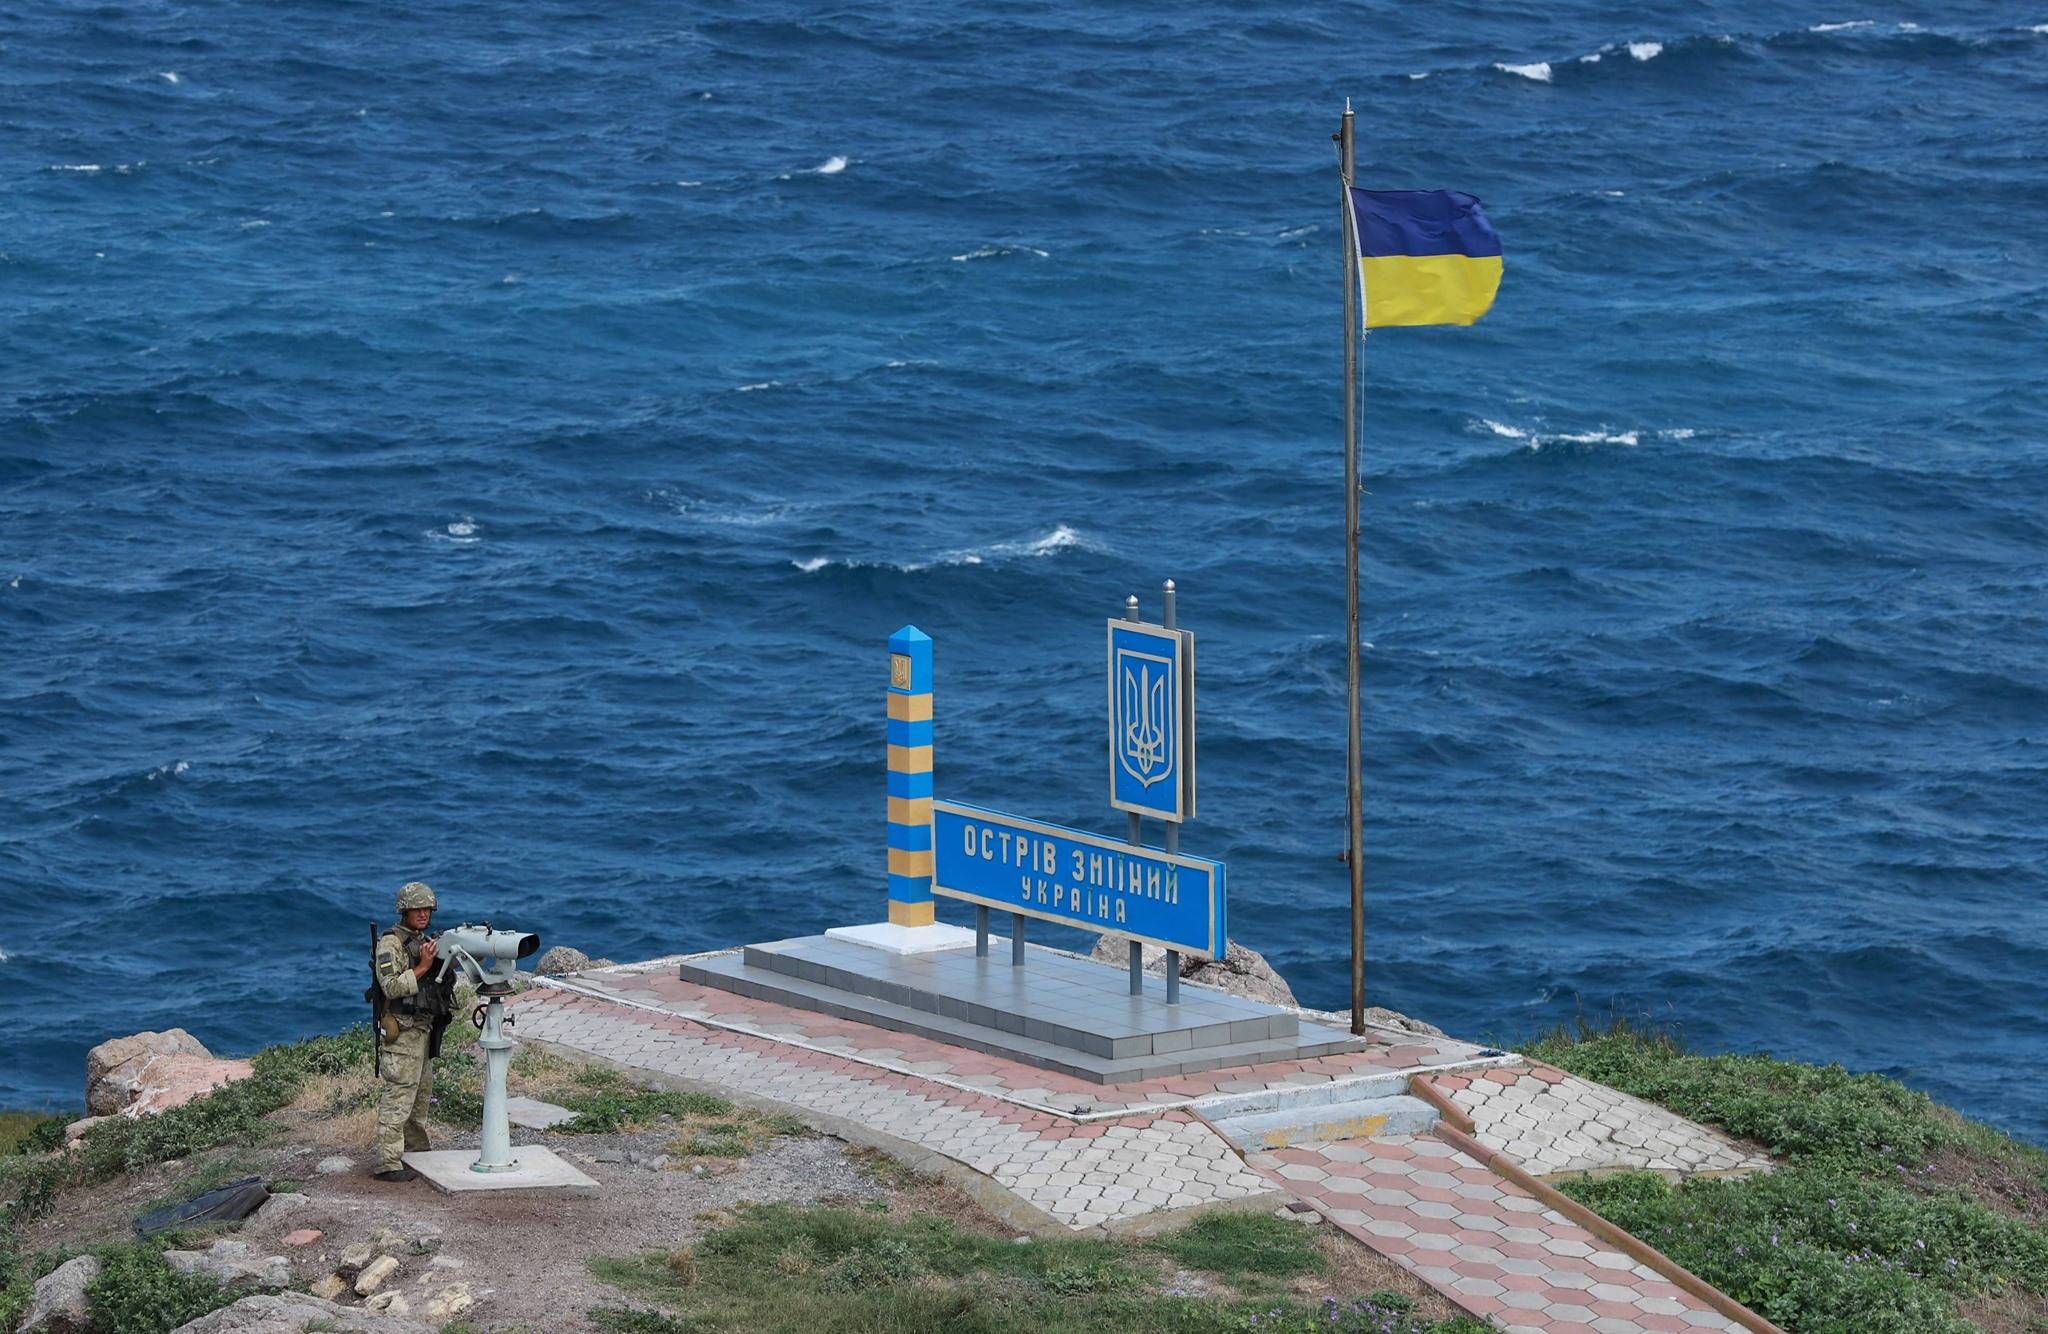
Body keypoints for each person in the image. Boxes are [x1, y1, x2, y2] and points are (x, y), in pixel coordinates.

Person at [370, 880, 456, 1182]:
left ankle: (416, 1151)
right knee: (399, 1096)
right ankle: (388, 1162)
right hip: (402, 1031)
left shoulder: (423, 940)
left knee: (420, 1095)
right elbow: (391, 986)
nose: (423, 914)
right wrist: (423, 965)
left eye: (427, 908)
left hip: (422, 1029)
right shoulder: (391, 944)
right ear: (404, 910)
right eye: (417, 908)